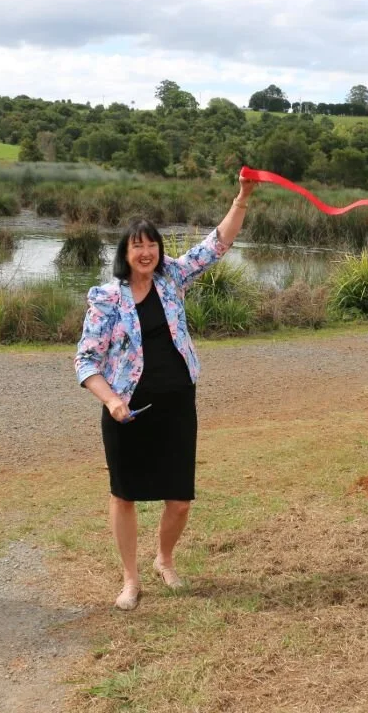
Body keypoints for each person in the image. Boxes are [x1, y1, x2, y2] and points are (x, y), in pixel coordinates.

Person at [74, 175, 258, 610]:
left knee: (180, 499)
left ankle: (164, 559)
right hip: (127, 412)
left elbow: (216, 244)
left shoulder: (172, 277)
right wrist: (111, 400)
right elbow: (86, 361)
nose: (146, 252)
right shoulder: (106, 299)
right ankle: (130, 579)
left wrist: (242, 198)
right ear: (124, 254)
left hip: (177, 405)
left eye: (151, 244)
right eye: (136, 246)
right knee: (124, 494)